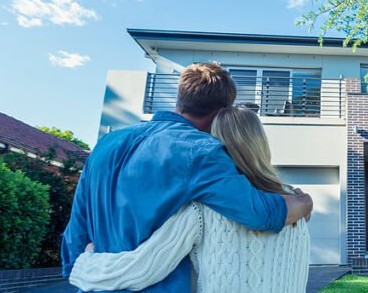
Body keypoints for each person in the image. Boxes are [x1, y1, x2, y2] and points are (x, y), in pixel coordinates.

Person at [61, 63, 313, 292]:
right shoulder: (200, 151)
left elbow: (76, 229)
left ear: (181, 97)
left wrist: (82, 273)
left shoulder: (106, 145)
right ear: (221, 113)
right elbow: (259, 214)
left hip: (93, 284)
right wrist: (304, 202)